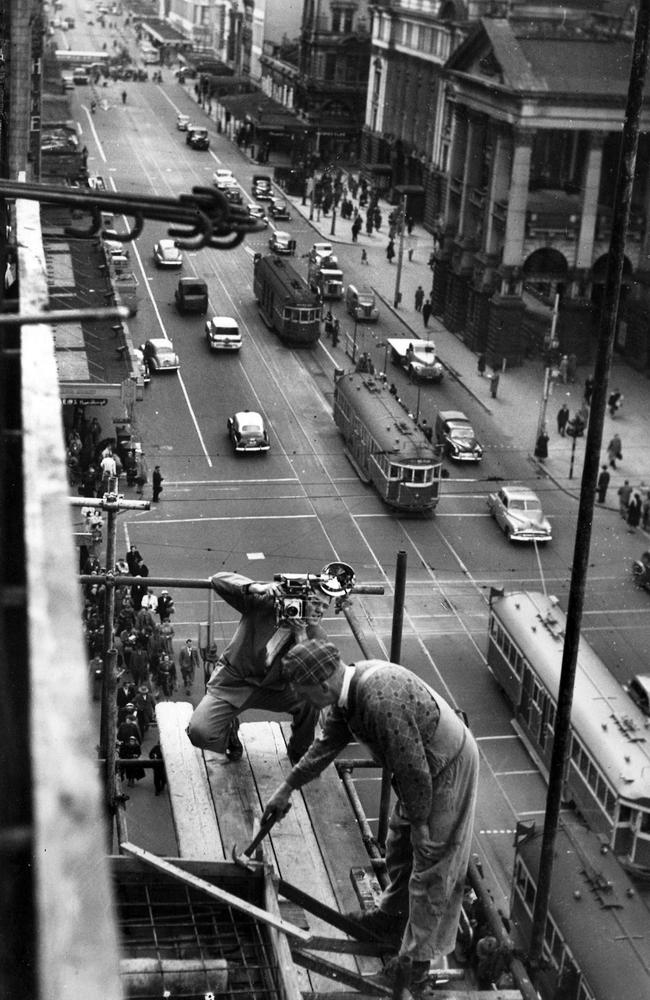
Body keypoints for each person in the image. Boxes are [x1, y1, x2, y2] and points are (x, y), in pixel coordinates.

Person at [261, 640, 478, 992]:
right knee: (398, 844)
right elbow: (325, 745)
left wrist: (422, 824)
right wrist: (287, 787)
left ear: (322, 685)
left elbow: (415, 771)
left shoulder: (379, 700)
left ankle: (414, 965)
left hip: (446, 768)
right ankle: (391, 919)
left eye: (304, 693)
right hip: (419, 770)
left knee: (432, 865)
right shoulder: (349, 694)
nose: (303, 702)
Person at [186, 571, 335, 764]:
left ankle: (299, 754)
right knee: (199, 733)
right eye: (315, 603)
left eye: (325, 606)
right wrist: (257, 587)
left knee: (312, 699)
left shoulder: (316, 633)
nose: (320, 610)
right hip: (235, 682)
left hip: (276, 689)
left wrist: (300, 635)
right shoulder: (264, 605)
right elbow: (218, 579)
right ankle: (229, 733)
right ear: (299, 598)